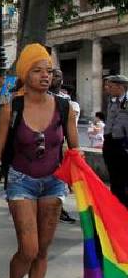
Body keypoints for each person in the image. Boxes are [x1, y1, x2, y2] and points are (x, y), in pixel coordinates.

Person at [0, 44, 79, 278]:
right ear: (25, 73)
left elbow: (74, 149)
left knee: (43, 250)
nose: (45, 76)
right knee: (29, 247)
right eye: (37, 70)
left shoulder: (64, 106)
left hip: (53, 182)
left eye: (48, 71)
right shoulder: (13, 104)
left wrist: (84, 183)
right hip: (21, 180)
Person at [49, 69, 78, 224]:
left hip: (63, 146)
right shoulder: (41, 97)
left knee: (62, 182)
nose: (55, 78)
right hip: (48, 149)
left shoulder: (66, 101)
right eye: (53, 75)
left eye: (58, 76)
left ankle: (59, 208)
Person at [102, 74, 128, 208]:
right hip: (110, 143)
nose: (107, 88)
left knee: (123, 178)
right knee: (114, 177)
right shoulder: (112, 101)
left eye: (110, 86)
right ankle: (116, 205)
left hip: (123, 143)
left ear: (120, 87)